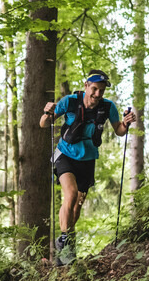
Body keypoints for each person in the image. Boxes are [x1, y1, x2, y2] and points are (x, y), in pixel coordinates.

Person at [40, 69, 136, 265]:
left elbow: (119, 131)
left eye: (101, 91)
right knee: (71, 193)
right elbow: (43, 124)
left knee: (76, 207)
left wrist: (125, 124)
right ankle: (66, 242)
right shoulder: (70, 102)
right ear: (86, 86)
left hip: (88, 159)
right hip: (65, 154)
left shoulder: (108, 107)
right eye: (94, 89)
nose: (97, 94)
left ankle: (63, 249)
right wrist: (46, 112)